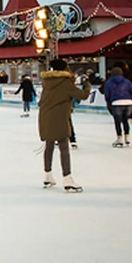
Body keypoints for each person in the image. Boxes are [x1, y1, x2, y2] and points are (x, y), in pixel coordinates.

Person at [38, 59, 90, 192]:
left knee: (49, 145)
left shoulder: (46, 82)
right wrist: (87, 85)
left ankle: (47, 175)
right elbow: (82, 96)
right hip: (59, 117)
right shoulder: (65, 83)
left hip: (45, 117)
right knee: (63, 147)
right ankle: (67, 178)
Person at [104, 66, 132, 147]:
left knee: (117, 121)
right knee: (125, 120)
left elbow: (107, 95)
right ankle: (127, 137)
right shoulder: (127, 82)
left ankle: (120, 138)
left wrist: (109, 104)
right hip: (128, 103)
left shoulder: (108, 82)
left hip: (116, 103)